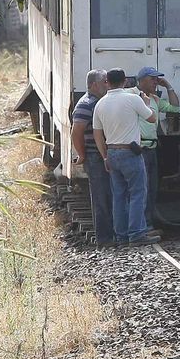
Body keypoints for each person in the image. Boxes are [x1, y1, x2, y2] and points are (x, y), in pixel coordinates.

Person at [91, 68, 159, 246]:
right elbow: (152, 119)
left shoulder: (100, 103)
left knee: (119, 195)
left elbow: (97, 134)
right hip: (130, 152)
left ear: (108, 82)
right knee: (138, 193)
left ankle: (121, 235)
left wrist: (104, 156)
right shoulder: (133, 99)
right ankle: (136, 233)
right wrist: (148, 102)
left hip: (112, 152)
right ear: (125, 82)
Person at [70, 69, 114, 247]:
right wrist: (82, 154)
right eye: (104, 81)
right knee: (101, 197)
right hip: (94, 156)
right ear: (93, 84)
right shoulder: (86, 104)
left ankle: (112, 234)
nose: (107, 84)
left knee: (109, 195)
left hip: (102, 154)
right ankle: (104, 239)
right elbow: (76, 132)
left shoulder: (99, 102)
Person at [136, 67, 180, 227]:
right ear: (141, 80)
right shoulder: (132, 96)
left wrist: (168, 86)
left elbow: (175, 108)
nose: (156, 82)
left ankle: (147, 222)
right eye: (152, 79)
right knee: (141, 188)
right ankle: (141, 225)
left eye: (157, 79)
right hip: (139, 148)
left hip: (152, 149)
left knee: (152, 187)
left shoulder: (154, 99)